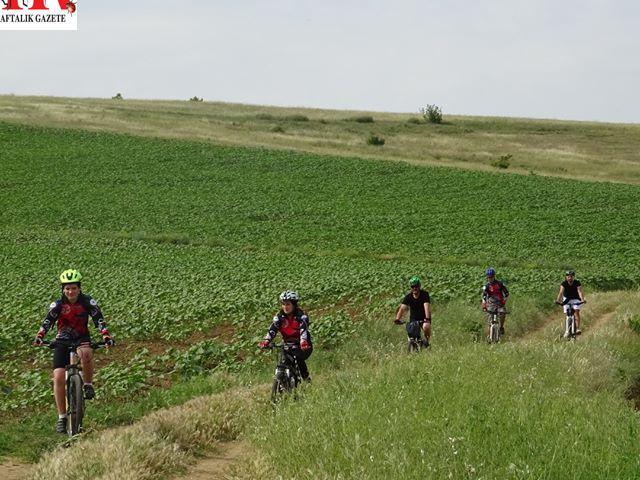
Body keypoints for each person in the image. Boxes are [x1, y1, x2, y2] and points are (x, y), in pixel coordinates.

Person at [33, 269, 114, 433]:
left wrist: (105, 335)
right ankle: (62, 417)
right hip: (62, 340)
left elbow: (99, 319)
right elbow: (47, 321)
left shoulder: (87, 302)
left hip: (81, 338)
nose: (70, 291)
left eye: (74, 288)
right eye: (67, 288)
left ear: (79, 288)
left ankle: (88, 385)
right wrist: (40, 335)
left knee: (85, 353)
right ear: (63, 289)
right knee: (58, 377)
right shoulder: (58, 305)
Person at [259, 290, 313, 381]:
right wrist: (266, 341)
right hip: (288, 344)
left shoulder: (301, 317)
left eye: (288, 304)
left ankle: (306, 379)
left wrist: (303, 342)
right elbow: (273, 329)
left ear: (294, 305)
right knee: (284, 361)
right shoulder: (279, 318)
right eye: (283, 304)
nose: (285, 307)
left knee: (298, 358)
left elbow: (303, 330)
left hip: (303, 345)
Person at [394, 276, 432, 347]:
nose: (415, 288)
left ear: (419, 286)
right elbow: (402, 308)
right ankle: (413, 348)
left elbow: (426, 306)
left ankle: (427, 341)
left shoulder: (424, 294)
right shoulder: (408, 297)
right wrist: (397, 318)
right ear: (411, 287)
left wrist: (427, 319)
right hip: (413, 319)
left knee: (426, 327)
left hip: (424, 318)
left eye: (416, 286)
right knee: (411, 335)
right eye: (413, 286)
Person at [555, 270, 586, 336]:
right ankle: (567, 331)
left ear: (573, 277)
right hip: (567, 299)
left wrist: (582, 300)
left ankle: (577, 328)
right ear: (566, 277)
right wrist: (558, 300)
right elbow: (561, 292)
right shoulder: (564, 283)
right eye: (568, 277)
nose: (570, 278)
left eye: (571, 276)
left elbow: (579, 292)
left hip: (575, 298)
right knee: (567, 314)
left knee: (576, 311)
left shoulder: (577, 283)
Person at [481, 267, 509, 336]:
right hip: (491, 303)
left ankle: (501, 327)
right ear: (487, 277)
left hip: (500, 303)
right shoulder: (486, 286)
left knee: (502, 313)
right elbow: (484, 296)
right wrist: (484, 304)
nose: (490, 278)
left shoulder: (500, 284)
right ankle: (489, 335)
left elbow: (507, 294)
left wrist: (504, 301)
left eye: (491, 277)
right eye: (489, 277)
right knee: (490, 318)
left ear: (494, 276)